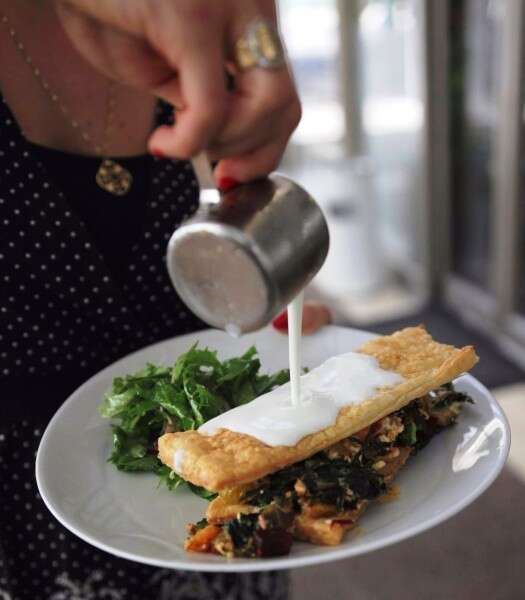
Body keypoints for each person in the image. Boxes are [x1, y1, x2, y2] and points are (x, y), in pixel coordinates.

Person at [0, 1, 330, 598]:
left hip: (221, 479)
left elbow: (233, 237)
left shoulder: (203, 18)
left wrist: (263, 311)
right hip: (25, 523)